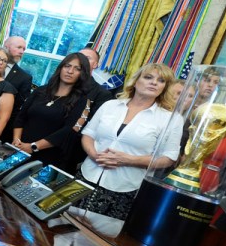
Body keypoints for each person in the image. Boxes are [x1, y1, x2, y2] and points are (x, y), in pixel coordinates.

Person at [76, 63, 182, 220]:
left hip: (124, 188)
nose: (153, 82)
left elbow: (169, 158)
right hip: (86, 176)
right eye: (148, 77)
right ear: (136, 80)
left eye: (161, 81)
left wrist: (128, 160)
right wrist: (95, 155)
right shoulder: (110, 105)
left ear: (164, 88)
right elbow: (88, 134)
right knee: (61, 228)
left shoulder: (171, 119)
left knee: (100, 238)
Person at [12, 52, 91, 172]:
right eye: (67, 66)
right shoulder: (41, 90)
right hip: (19, 148)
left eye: (77, 69)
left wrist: (33, 147)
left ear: (82, 74)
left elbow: (66, 131)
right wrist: (16, 140)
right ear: (61, 68)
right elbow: (20, 117)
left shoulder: (81, 100)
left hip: (47, 157)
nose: (70, 71)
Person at [1, 35, 33, 141]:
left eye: (23, 49)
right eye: (19, 47)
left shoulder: (25, 78)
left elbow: (18, 109)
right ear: (6, 47)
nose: (22, 52)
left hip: (2, 128)